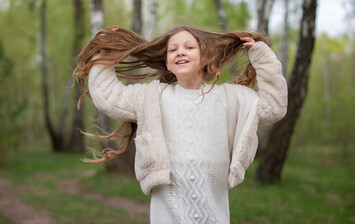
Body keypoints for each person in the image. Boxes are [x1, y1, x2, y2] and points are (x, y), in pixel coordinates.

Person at [74, 25, 287, 223]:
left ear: (205, 57)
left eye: (189, 47)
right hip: (167, 216)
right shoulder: (151, 97)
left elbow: (274, 106)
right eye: (172, 49)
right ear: (167, 63)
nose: (180, 52)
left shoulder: (230, 98)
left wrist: (262, 58)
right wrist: (105, 49)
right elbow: (108, 97)